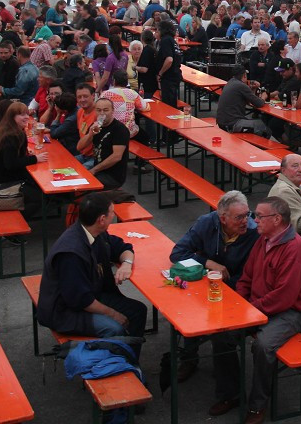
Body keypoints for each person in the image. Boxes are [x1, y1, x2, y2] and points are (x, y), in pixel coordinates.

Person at [170, 190, 259, 389]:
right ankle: (189, 358)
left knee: (222, 331)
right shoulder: (207, 223)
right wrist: (208, 262)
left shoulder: (254, 234)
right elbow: (177, 253)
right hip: (209, 282)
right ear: (222, 218)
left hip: (238, 288)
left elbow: (250, 275)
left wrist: (227, 286)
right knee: (185, 306)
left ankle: (225, 374)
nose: (246, 221)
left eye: (247, 215)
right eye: (239, 217)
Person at [36, 193, 147, 353]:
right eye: (112, 213)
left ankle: (129, 362)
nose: (114, 215)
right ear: (102, 219)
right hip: (64, 311)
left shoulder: (94, 231)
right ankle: (116, 369)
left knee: (138, 311)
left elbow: (123, 248)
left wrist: (126, 264)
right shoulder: (71, 253)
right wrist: (114, 314)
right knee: (114, 329)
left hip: (90, 294)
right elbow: (81, 301)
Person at [237, 197, 301, 424]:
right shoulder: (263, 239)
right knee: (221, 332)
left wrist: (249, 310)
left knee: (263, 345)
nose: (254, 220)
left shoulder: (295, 248)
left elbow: (285, 297)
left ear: (277, 219)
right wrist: (238, 302)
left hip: (289, 312)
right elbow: (246, 276)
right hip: (258, 305)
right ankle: (229, 393)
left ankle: (257, 405)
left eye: (259, 216)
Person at [0, 102, 48, 216]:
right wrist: (35, 158)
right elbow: (10, 164)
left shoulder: (7, 129)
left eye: (26, 114)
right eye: (21, 114)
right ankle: (15, 224)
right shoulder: (12, 135)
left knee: (35, 186)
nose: (26, 117)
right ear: (12, 117)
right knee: (41, 197)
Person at [80, 98, 129, 191]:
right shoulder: (95, 126)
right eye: (98, 110)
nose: (102, 113)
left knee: (82, 186)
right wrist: (90, 134)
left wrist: (94, 170)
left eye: (106, 110)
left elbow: (116, 157)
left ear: (112, 111)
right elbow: (79, 147)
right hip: (98, 170)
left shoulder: (120, 129)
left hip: (113, 176)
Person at [216, 68, 272, 138]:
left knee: (252, 122)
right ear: (244, 75)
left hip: (222, 122)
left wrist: (252, 89)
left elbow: (250, 100)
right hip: (232, 124)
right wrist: (264, 96)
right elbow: (259, 103)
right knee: (263, 126)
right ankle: (260, 148)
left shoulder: (230, 82)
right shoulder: (241, 86)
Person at [268, 154, 301, 234]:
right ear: (283, 171)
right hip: (286, 241)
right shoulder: (284, 191)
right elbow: (299, 225)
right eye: (295, 166)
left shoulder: (299, 187)